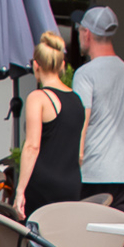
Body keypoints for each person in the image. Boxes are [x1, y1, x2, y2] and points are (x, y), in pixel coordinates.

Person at [72, 6, 124, 207]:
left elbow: (81, 123)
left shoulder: (86, 74)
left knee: (88, 237)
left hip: (93, 176)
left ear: (87, 34)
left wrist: (74, 164)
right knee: (122, 239)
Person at [16, 30, 86, 215]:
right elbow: (79, 152)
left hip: (43, 186)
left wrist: (20, 189)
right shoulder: (76, 100)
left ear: (36, 65)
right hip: (71, 184)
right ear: (62, 65)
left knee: (35, 239)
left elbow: (32, 146)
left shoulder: (38, 98)